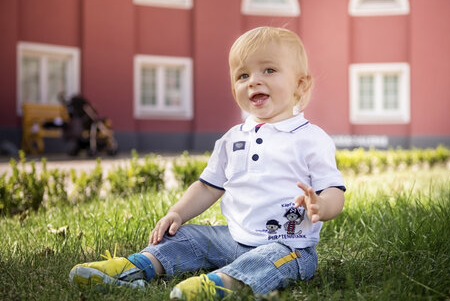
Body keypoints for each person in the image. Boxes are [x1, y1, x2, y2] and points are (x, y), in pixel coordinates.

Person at [69, 26, 346, 300]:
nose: (253, 81)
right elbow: (207, 187)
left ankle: (221, 284)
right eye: (243, 75)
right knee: (188, 237)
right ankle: (133, 267)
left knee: (273, 260)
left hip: (289, 245)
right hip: (232, 239)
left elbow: (334, 191)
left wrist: (321, 205)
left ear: (300, 84)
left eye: (269, 70)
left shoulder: (311, 138)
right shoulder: (232, 139)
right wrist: (177, 213)